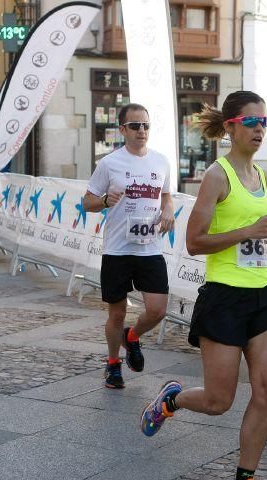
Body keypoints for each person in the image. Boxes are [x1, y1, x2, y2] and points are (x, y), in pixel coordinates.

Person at [138, 91, 267, 480]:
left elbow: (256, 233)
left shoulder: (262, 178)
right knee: (218, 401)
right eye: (251, 122)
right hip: (224, 297)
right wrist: (248, 231)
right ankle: (171, 400)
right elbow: (194, 241)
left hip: (265, 295)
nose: (260, 129)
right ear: (230, 127)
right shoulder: (216, 176)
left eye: (264, 121)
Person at [81, 103, 175, 389]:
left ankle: (131, 336)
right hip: (118, 249)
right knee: (117, 312)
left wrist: (169, 209)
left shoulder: (160, 161)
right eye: (135, 126)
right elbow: (87, 202)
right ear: (122, 130)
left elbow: (167, 195)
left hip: (149, 248)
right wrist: (105, 201)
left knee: (158, 310)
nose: (141, 131)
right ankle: (112, 364)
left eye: (145, 125)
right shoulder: (110, 163)